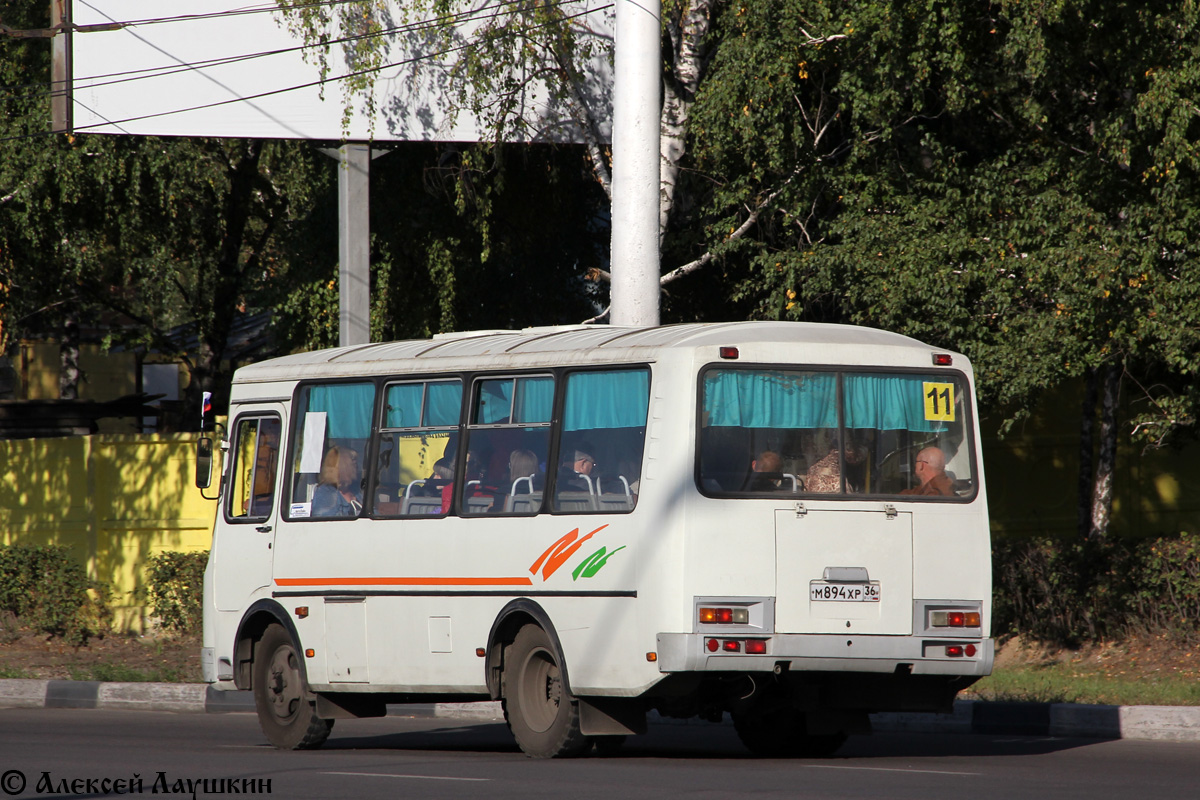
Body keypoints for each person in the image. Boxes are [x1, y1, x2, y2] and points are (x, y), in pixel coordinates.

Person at [311, 446, 363, 516]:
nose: (357, 468)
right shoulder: (326, 493)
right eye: (353, 463)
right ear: (343, 467)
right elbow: (327, 522)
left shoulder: (356, 490)